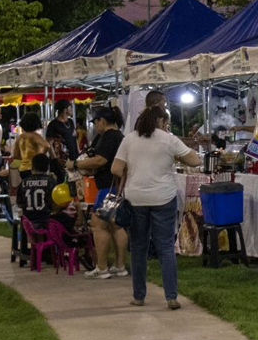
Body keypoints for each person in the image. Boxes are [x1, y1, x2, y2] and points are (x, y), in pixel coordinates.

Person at [112, 106, 200, 309]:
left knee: (138, 247)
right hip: (163, 197)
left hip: (136, 199)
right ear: (161, 121)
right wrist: (175, 157)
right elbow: (195, 160)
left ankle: (139, 296)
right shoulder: (168, 139)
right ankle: (171, 296)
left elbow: (115, 168)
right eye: (166, 122)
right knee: (166, 247)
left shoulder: (130, 139)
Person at [66, 106, 127, 279]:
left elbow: (100, 160)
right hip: (117, 187)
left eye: (96, 122)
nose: (95, 126)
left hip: (107, 188)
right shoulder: (117, 137)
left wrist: (75, 165)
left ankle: (102, 267)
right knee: (117, 226)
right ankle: (120, 266)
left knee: (98, 225)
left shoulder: (110, 137)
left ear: (102, 120)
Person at [19, 153, 90, 252]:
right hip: (46, 219)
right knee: (67, 219)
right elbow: (54, 202)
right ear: (47, 167)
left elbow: (19, 203)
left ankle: (37, 250)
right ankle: (70, 244)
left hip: (29, 221)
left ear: (32, 166)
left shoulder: (23, 182)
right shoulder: (50, 181)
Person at [12, 112, 52, 180]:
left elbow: (15, 155)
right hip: (34, 169)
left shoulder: (20, 137)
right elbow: (47, 145)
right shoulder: (35, 136)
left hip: (22, 169)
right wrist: (40, 156)